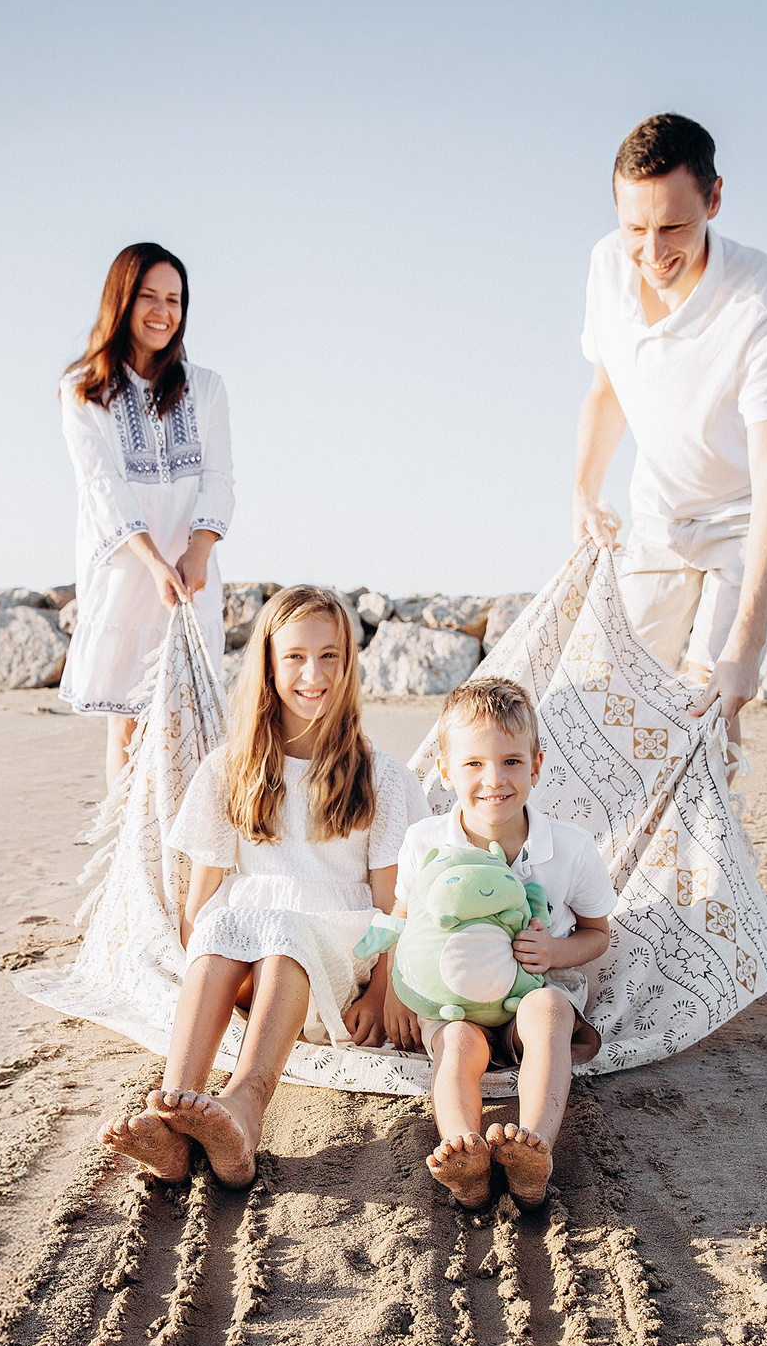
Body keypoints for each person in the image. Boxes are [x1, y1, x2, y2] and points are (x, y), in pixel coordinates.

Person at [99, 586, 422, 1187]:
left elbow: (392, 900)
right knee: (224, 925)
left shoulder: (383, 776)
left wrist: (386, 988)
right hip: (245, 954)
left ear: (349, 664)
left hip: (336, 950)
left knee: (284, 933)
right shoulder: (230, 767)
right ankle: (173, 1114)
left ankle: (245, 1111)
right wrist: (213, 978)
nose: (313, 673)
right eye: (296, 656)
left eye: (330, 656)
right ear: (269, 665)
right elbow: (201, 902)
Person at [570, 113, 767, 732]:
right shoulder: (607, 265)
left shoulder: (762, 298)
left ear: (713, 199)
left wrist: (742, 652)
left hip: (747, 515)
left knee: (705, 710)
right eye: (636, 228)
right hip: (660, 513)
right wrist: (583, 488)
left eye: (674, 227)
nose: (652, 253)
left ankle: (705, 831)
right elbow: (608, 389)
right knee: (608, 698)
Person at [381, 678, 614, 1209]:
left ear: (535, 765)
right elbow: (403, 919)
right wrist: (392, 990)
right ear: (445, 770)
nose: (494, 780)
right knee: (457, 1043)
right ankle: (464, 1155)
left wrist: (557, 953)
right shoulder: (426, 841)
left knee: (551, 1007)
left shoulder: (570, 848)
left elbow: (598, 933)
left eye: (511, 762)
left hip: (528, 994)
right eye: (474, 764)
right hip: (452, 1001)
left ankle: (534, 1151)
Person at [58, 243, 233, 787]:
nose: (163, 312)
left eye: (175, 300)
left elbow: (218, 478)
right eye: (149, 297)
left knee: (190, 720)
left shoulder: (206, 388)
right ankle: (128, 861)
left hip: (192, 572)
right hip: (125, 571)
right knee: (129, 725)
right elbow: (102, 487)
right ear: (123, 301)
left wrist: (197, 551)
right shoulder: (84, 389)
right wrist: (154, 562)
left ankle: (183, 854)